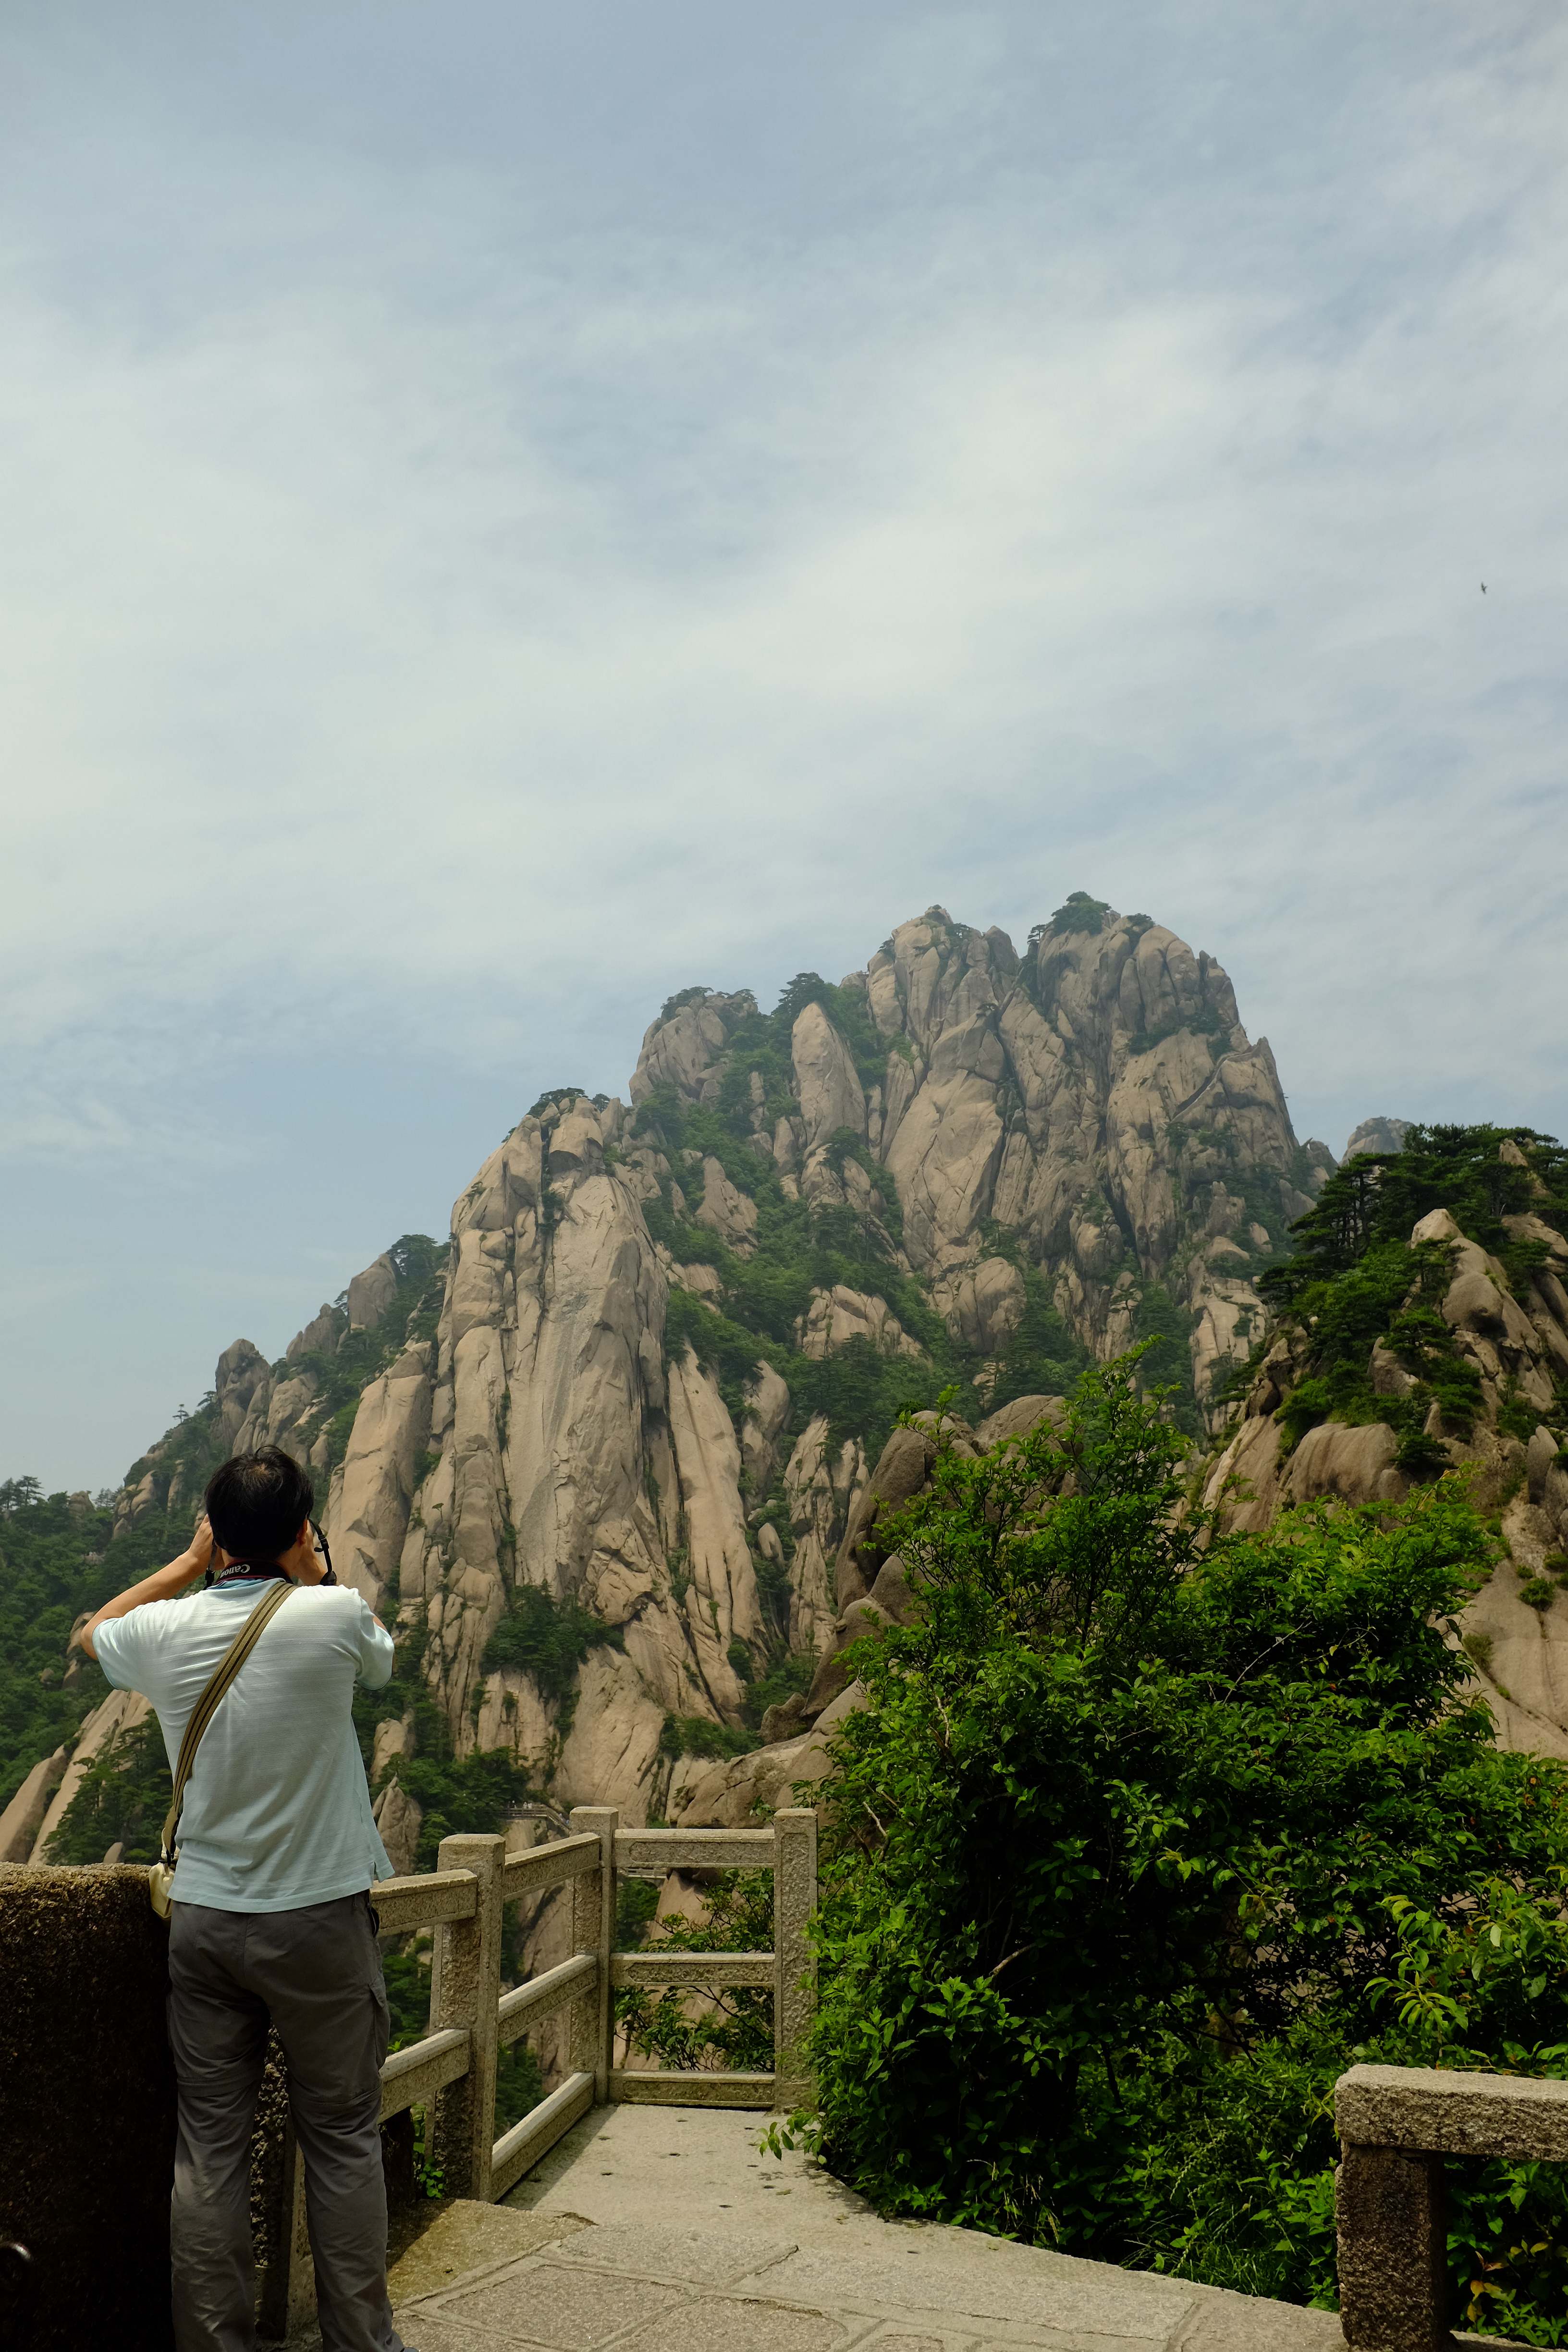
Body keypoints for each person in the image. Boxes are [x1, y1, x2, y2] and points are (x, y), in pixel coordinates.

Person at [76, 1446, 411, 2352]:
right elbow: (380, 1665)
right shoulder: (335, 1616)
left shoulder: (165, 1633)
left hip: (209, 1927)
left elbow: (90, 1633)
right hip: (321, 1926)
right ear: (302, 1528)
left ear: (218, 1533)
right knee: (342, 2140)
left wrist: (189, 1565)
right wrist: (317, 1567)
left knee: (210, 2151)